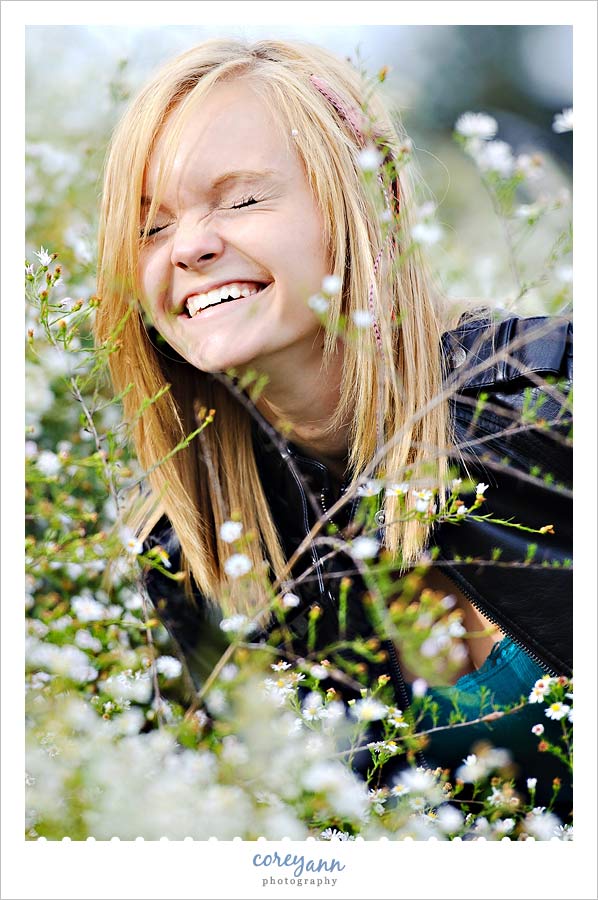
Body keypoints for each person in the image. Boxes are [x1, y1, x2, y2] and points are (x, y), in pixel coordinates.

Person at [95, 39, 572, 815]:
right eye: (150, 226)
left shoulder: (557, 403)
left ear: (373, 197)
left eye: (242, 199)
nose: (190, 246)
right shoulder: (187, 555)